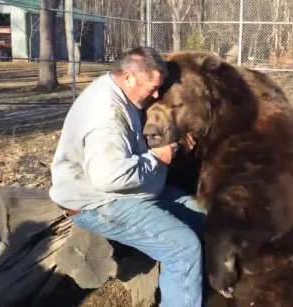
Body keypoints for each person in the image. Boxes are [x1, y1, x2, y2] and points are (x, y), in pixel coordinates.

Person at [48, 46, 206, 307]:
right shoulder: (107, 112)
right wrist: (157, 159)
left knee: (203, 214)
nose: (156, 94)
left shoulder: (120, 93)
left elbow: (128, 152)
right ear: (130, 77)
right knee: (182, 248)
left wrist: (175, 149)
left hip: (129, 192)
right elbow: (108, 177)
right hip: (98, 202)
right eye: (153, 87)